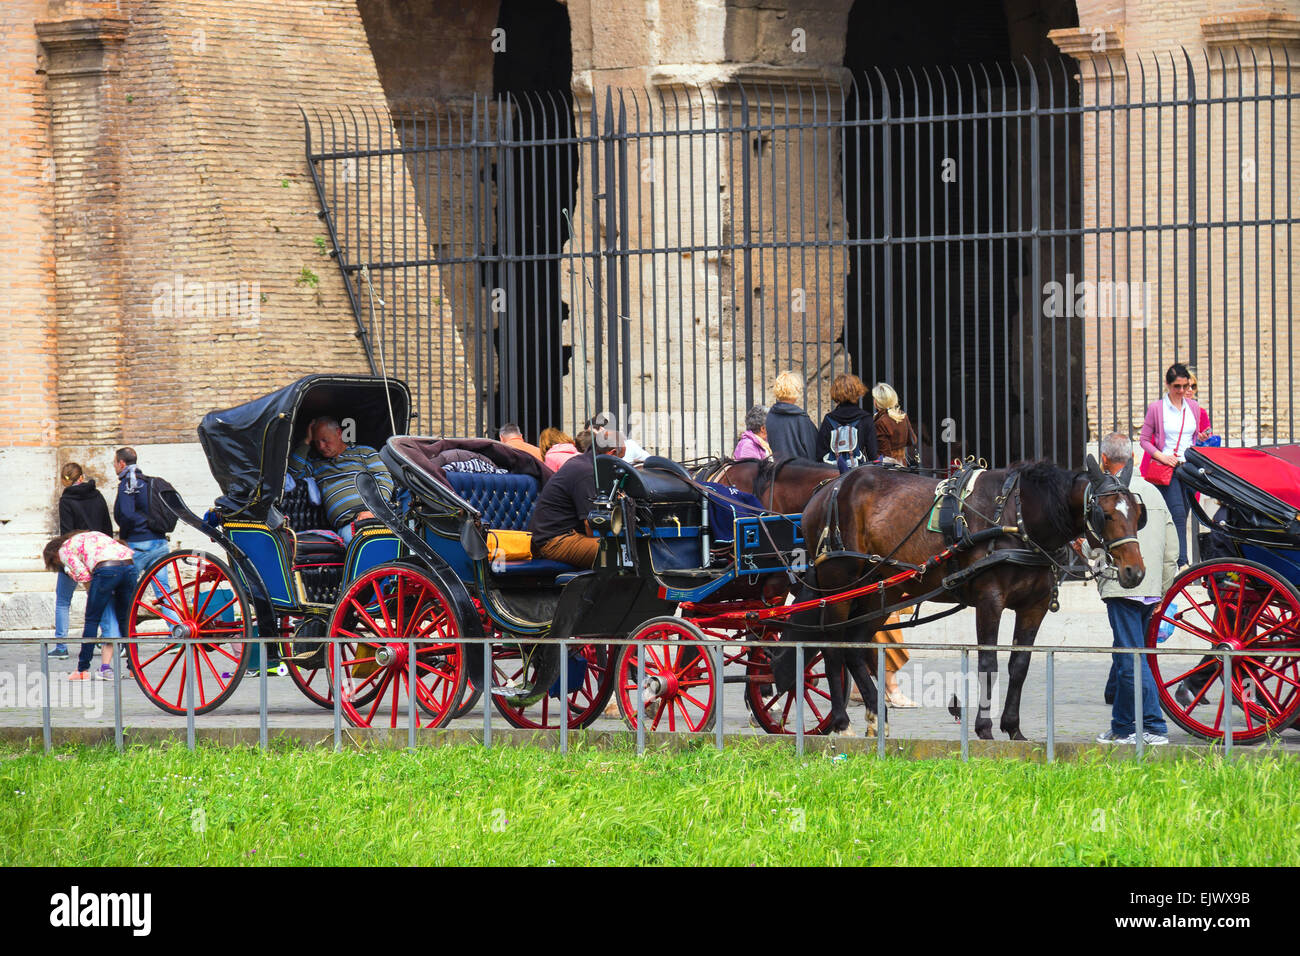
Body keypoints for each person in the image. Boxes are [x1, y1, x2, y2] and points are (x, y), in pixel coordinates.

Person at [1077, 432, 1179, 746]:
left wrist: (1084, 553)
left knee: (1133, 659)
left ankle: (1153, 726)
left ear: (1104, 460)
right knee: (1132, 656)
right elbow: (1171, 546)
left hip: (1122, 587)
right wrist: (1163, 589)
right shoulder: (1152, 491)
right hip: (1151, 588)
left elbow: (1097, 545)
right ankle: (1122, 727)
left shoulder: (1103, 495)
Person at [43, 531, 137, 681]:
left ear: (53, 556)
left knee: (92, 620)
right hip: (129, 565)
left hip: (107, 569)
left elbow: (84, 576)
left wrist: (95, 595)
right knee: (126, 620)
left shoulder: (64, 550)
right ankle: (134, 668)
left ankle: (82, 669)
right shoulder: (91, 536)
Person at [528, 429, 626, 569]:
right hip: (554, 541)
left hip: (569, 535)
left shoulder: (585, 463)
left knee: (625, 547)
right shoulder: (586, 472)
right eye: (621, 459)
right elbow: (590, 525)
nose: (621, 463)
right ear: (612, 454)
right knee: (619, 550)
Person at [287, 417, 395, 544]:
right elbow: (293, 472)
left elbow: (384, 478)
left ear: (338, 433)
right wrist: (306, 441)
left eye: (325, 440)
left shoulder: (364, 452)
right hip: (349, 524)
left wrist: (374, 510)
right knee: (361, 546)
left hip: (377, 515)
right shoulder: (316, 464)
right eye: (316, 442)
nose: (321, 446)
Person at [1138, 362, 1205, 566]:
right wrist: (1162, 456)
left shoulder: (1193, 407)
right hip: (1167, 468)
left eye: (1185, 386)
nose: (1182, 391)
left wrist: (1201, 438)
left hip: (1188, 468)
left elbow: (1193, 437)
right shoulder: (1157, 408)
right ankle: (1180, 559)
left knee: (1183, 513)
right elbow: (1144, 439)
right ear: (1167, 385)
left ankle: (1171, 554)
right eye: (1177, 386)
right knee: (1176, 511)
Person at [51, 463, 119, 661]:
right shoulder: (96, 495)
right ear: (81, 477)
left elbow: (66, 532)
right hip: (97, 554)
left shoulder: (66, 500)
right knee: (101, 597)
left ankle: (61, 645)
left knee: (63, 600)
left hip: (75, 553)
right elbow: (107, 525)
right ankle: (109, 639)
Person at [113, 447, 172, 584]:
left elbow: (127, 514)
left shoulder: (128, 483)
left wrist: (125, 538)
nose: (114, 466)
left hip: (139, 543)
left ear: (122, 463)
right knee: (163, 589)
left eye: (115, 463)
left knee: (125, 588)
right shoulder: (148, 482)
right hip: (159, 542)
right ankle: (169, 606)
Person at [816, 373, 878, 472]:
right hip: (857, 475)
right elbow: (873, 455)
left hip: (833, 474)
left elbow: (820, 454)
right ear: (858, 391)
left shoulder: (828, 419)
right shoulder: (866, 418)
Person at [765, 371, 819, 460]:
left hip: (779, 470)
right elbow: (813, 450)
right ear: (796, 390)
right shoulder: (801, 418)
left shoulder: (770, 416)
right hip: (801, 470)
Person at [872, 382, 918, 465]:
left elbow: (884, 453)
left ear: (877, 402)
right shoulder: (902, 416)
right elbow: (912, 440)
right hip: (903, 464)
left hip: (889, 470)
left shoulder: (880, 422)